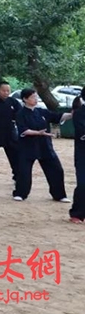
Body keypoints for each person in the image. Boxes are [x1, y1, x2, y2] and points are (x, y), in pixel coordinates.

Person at [13, 88, 72, 203]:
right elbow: (23, 130)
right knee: (23, 171)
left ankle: (59, 195)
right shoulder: (20, 114)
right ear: (25, 99)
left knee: (56, 169)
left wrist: (72, 114)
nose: (36, 99)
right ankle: (20, 193)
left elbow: (58, 116)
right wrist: (38, 133)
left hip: (44, 145)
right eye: (33, 97)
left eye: (36, 97)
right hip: (27, 146)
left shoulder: (41, 112)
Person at [69, 94, 85, 224]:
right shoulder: (79, 114)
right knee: (83, 184)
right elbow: (82, 131)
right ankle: (77, 213)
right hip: (82, 154)